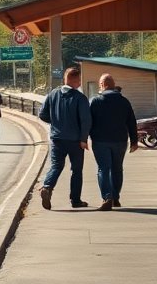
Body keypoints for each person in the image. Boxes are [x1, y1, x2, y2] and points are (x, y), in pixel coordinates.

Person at [38, 66, 92, 210]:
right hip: (75, 140)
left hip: (57, 139)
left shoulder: (53, 94)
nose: (80, 83)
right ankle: (75, 200)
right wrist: (83, 139)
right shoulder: (80, 98)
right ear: (73, 80)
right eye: (78, 80)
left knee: (56, 166)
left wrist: (55, 122)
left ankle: (47, 187)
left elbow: (42, 114)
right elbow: (86, 120)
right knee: (76, 170)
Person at [89, 73, 138, 211]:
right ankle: (115, 197)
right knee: (117, 169)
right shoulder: (124, 101)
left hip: (100, 141)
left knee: (103, 169)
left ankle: (107, 197)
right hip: (120, 141)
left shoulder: (95, 101)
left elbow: (88, 121)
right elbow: (131, 122)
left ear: (102, 85)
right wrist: (134, 141)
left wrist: (83, 138)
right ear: (113, 84)